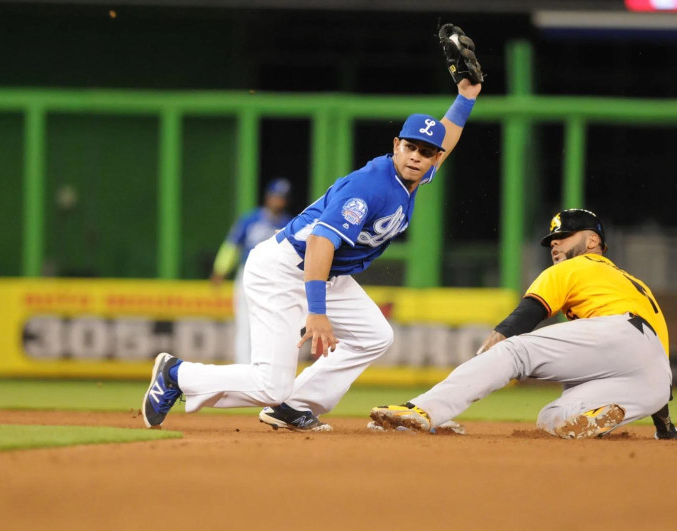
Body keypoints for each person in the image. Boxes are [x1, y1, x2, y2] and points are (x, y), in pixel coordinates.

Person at [142, 75, 482, 431]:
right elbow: (322, 240)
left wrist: (466, 97)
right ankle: (177, 374)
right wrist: (316, 311)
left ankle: (292, 406)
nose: (416, 156)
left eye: (426, 151)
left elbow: (446, 134)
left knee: (374, 336)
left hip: (325, 272)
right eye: (410, 147)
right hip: (284, 268)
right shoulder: (370, 187)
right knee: (270, 384)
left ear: (435, 157)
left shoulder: (413, 175)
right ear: (396, 145)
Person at [370, 209, 677, 440]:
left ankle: (423, 410)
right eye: (552, 239)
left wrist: (483, 363)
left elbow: (522, 319)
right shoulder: (630, 282)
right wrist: (666, 428)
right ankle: (594, 420)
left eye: (564, 235)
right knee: (555, 418)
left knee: (515, 350)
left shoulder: (575, 267)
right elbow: (653, 360)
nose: (555, 243)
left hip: (617, 334)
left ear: (591, 242)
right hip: (655, 378)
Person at [210, 178, 293, 364]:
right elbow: (232, 245)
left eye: (282, 197)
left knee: (272, 323)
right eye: (275, 196)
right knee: (245, 323)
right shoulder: (250, 219)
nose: (278, 200)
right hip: (248, 275)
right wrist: (220, 269)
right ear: (268, 197)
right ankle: (243, 367)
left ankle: (265, 365)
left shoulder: (289, 223)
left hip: (276, 278)